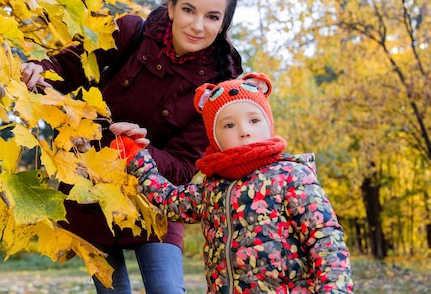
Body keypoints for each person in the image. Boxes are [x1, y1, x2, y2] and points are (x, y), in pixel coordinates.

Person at [21, 0, 244, 293]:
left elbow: (183, 166)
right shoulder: (129, 33)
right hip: (91, 189)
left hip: (154, 200)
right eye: (188, 10)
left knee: (166, 289)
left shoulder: (217, 90)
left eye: (212, 17)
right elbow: (68, 66)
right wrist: (36, 69)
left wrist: (141, 150)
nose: (197, 25)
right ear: (171, 7)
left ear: (223, 24)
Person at [115, 73, 354, 293]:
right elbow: (168, 201)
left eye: (253, 120)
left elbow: (325, 240)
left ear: (268, 124)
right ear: (214, 136)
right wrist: (136, 154)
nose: (244, 131)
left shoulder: (292, 176)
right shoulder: (212, 188)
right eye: (229, 125)